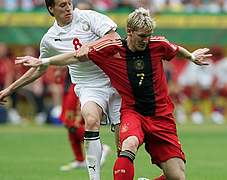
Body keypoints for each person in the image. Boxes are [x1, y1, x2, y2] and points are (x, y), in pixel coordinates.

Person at [14, 7, 211, 180]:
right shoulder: (111, 48)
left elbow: (177, 50)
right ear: (130, 32)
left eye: (149, 35)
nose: (146, 40)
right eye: (142, 36)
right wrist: (45, 62)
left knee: (177, 176)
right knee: (128, 144)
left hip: (162, 116)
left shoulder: (158, 44)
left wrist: (192, 56)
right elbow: (77, 55)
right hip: (133, 111)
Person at [0, 0, 121, 179]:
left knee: (124, 141)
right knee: (90, 120)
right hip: (88, 86)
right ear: (51, 9)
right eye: (62, 5)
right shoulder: (50, 39)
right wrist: (10, 88)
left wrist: (90, 46)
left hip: (115, 79)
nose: (68, 8)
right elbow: (39, 68)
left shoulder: (88, 17)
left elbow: (115, 38)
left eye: (69, 3)